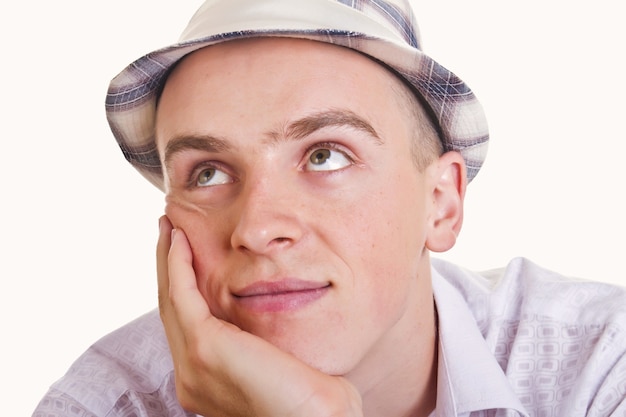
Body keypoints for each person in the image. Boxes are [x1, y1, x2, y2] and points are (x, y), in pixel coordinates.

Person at [33, 0, 626, 416]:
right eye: (207, 173)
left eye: (325, 156)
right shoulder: (106, 405)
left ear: (440, 203)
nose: (259, 228)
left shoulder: (600, 366)